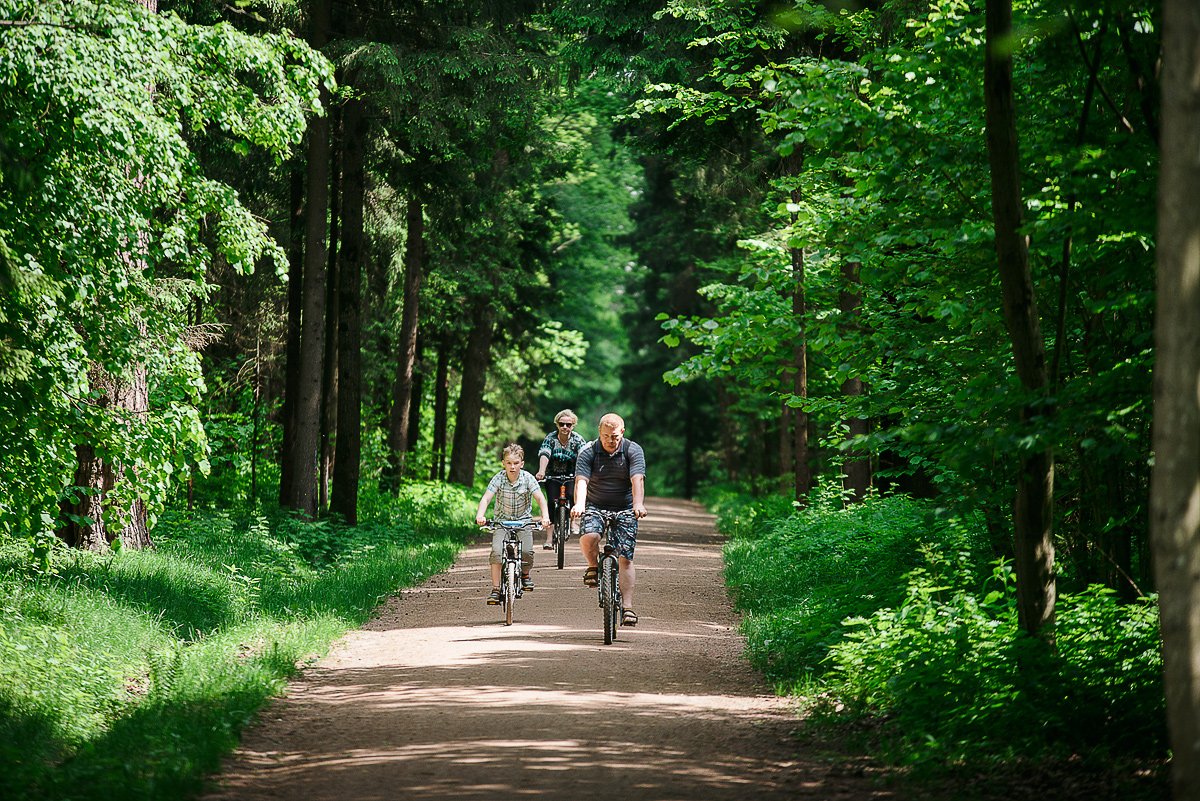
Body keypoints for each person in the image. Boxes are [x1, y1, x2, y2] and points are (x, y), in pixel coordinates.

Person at [571, 413, 647, 627]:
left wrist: (638, 504)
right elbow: (582, 482)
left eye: (614, 436)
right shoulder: (588, 451)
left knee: (625, 557)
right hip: (595, 504)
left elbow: (637, 480)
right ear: (599, 432)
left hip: (625, 507)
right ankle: (593, 567)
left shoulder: (633, 450)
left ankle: (628, 607)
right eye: (605, 436)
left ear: (622, 432)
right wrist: (579, 504)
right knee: (589, 536)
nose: (610, 440)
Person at [475, 443, 551, 605]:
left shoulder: (528, 478)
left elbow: (540, 498)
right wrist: (480, 515)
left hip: (523, 522)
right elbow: (486, 498)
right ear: (503, 463)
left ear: (521, 464)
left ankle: (525, 575)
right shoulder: (499, 478)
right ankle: (496, 589)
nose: (512, 466)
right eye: (509, 462)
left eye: (516, 463)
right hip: (502, 522)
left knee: (527, 552)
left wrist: (545, 517)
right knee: (496, 552)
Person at [533, 408, 585, 550]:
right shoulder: (551, 438)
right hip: (552, 475)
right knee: (551, 502)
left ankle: (573, 521)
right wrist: (541, 471)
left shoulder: (577, 439)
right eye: (562, 424)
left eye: (568, 425)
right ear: (557, 424)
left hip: (572, 475)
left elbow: (583, 456)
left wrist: (584, 474)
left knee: (572, 495)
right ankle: (549, 539)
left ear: (572, 426)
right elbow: (545, 453)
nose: (565, 427)